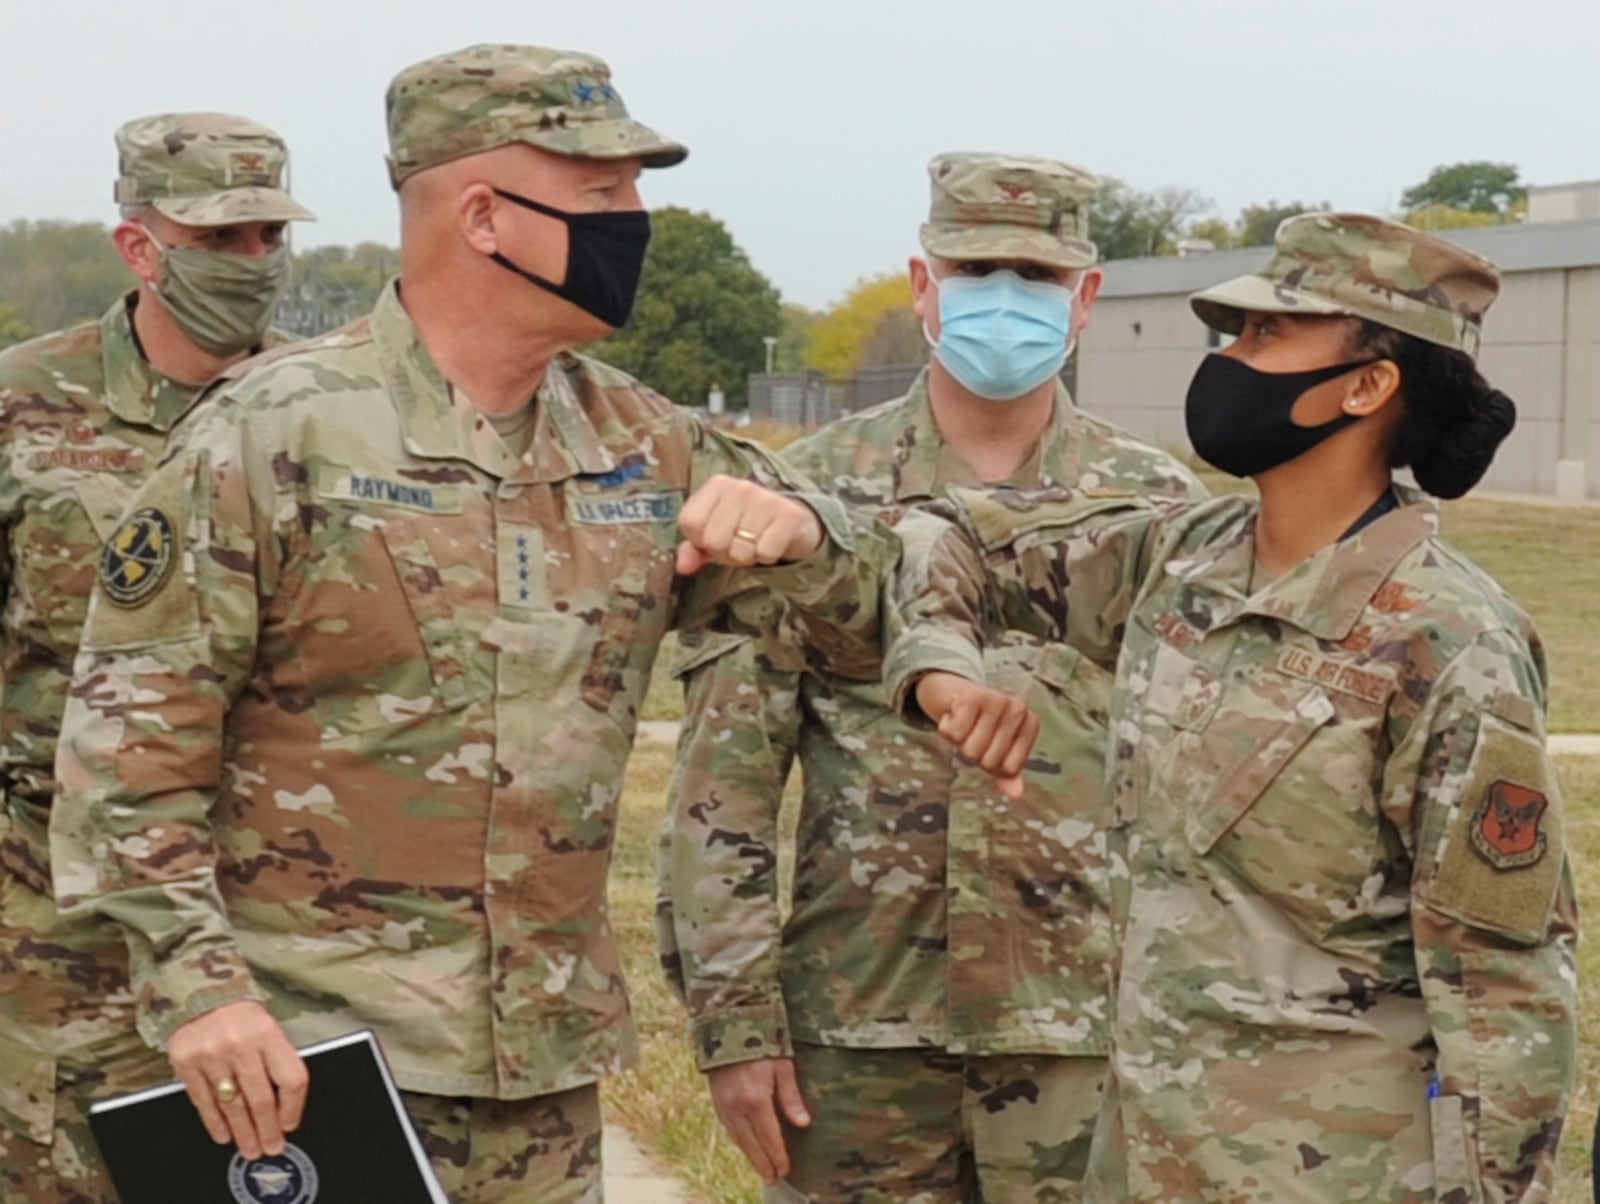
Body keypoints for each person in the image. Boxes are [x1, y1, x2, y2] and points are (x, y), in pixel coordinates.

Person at [50, 44, 882, 1204]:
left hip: (538, 1080)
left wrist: (807, 533)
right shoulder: (279, 432)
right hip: (308, 1076)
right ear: (485, 217)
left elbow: (875, 627)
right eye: (602, 195)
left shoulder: (646, 444)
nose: (636, 222)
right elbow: (126, 757)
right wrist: (202, 992)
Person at [886, 212, 1579, 1201]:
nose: (1228, 359)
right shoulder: (1182, 555)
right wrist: (939, 664)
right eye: (1235, 333)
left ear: (1367, 383)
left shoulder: (1449, 641)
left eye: (1266, 336)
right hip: (1140, 1159)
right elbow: (946, 541)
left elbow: (1504, 992)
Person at [658, 151, 1204, 1202]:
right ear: (924, 287)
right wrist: (734, 1024)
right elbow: (723, 784)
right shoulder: (808, 504)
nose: (1006, 299)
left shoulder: (1160, 512)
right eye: (976, 270)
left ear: (1084, 299)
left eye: (1036, 277)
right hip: (858, 1035)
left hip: (1082, 1030)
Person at [0, 112, 313, 1203]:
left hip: (282, 917)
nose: (254, 264)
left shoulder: (318, 412)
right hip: (60, 928)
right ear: (140, 247)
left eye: (270, 236)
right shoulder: (24, 407)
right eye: (222, 240)